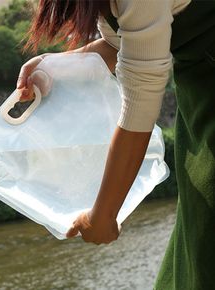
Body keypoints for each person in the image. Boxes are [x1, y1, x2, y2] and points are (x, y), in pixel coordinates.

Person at [16, 1, 215, 289]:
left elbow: (140, 98)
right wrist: (55, 68)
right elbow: (122, 44)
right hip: (199, 96)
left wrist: (104, 214)